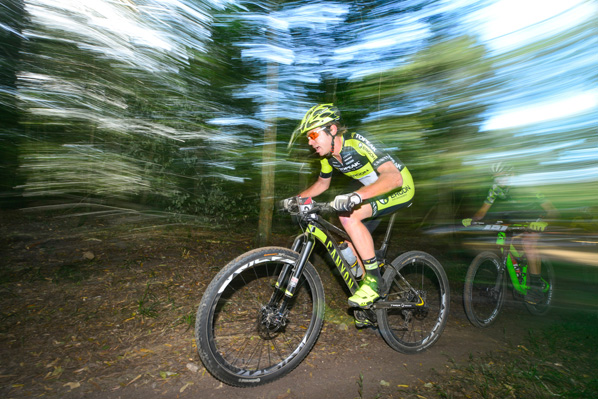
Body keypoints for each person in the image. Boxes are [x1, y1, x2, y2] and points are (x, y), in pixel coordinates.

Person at [285, 103, 415, 309]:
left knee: (347, 216)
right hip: (375, 192)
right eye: (308, 138)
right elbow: (322, 183)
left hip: (399, 188)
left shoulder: (357, 142)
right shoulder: (328, 157)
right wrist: (297, 199)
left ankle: (374, 282)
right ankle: (370, 304)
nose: (310, 142)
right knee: (349, 246)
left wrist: (356, 195)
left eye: (313, 135)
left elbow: (393, 177)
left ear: (332, 130)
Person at [462, 162, 559, 304]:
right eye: (496, 177)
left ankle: (536, 287)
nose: (499, 180)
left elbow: (553, 210)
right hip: (516, 219)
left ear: (512, 175)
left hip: (535, 218)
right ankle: (520, 273)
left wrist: (543, 222)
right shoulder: (496, 188)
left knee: (528, 243)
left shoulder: (526, 187)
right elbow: (482, 211)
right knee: (505, 241)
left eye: (502, 176)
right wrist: (473, 219)